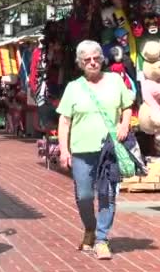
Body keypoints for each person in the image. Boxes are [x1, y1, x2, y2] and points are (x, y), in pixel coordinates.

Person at [57, 40, 134, 260]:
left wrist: (124, 124)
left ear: (102, 59)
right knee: (84, 195)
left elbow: (127, 106)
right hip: (81, 150)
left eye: (96, 58)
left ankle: (102, 238)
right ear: (80, 63)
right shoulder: (73, 87)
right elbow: (64, 121)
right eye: (87, 59)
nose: (92, 62)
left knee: (107, 194)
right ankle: (90, 228)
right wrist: (64, 150)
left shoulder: (115, 80)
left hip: (108, 150)